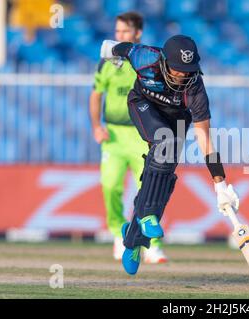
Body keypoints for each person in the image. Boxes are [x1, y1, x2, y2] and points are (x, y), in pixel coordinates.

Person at [100, 35, 240, 275]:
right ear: (164, 62)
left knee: (164, 180)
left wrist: (220, 184)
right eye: (178, 70)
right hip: (143, 104)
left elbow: (204, 139)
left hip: (177, 119)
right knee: (164, 142)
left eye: (189, 70)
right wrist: (110, 52)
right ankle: (146, 218)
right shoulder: (144, 57)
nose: (184, 76)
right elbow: (117, 47)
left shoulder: (196, 90)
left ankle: (134, 240)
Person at [89, 12, 168, 263]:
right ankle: (116, 234)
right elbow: (95, 95)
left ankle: (151, 244)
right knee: (110, 186)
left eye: (124, 32)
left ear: (137, 34)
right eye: (117, 32)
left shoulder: (145, 62)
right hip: (113, 135)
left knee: (148, 190)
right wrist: (96, 126)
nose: (119, 37)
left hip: (139, 135)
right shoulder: (106, 63)